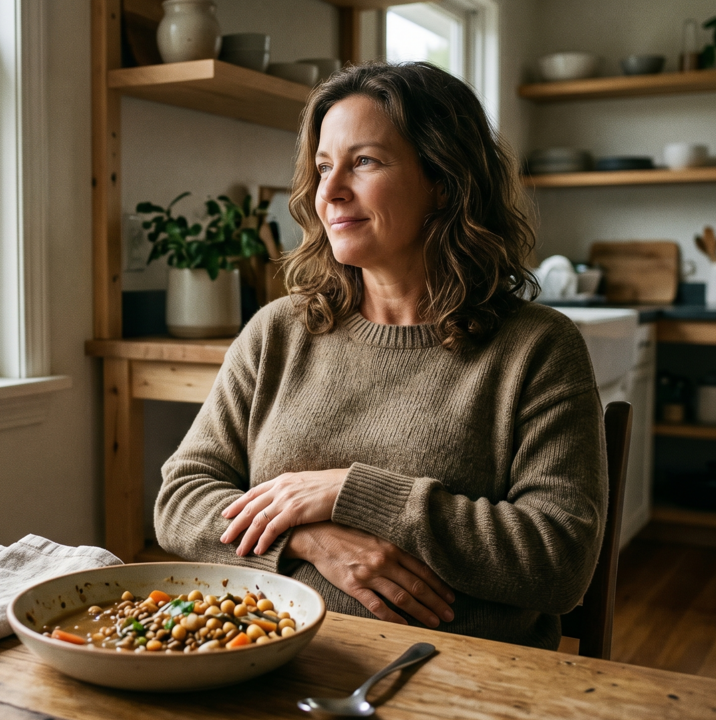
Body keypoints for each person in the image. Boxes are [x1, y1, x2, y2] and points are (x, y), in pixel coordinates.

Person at [154, 62, 607, 650]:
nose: (330, 192)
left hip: (458, 672)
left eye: (364, 161)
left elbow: (560, 559)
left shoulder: (538, 348)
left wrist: (354, 492)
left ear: (444, 180)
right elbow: (181, 499)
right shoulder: (277, 332)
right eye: (323, 167)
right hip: (267, 657)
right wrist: (307, 537)